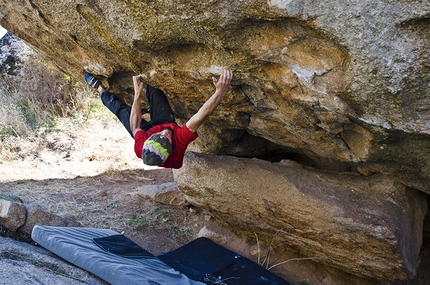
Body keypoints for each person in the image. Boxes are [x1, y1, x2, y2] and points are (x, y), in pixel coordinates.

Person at [84, 68, 233, 169]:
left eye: (160, 135)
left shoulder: (140, 147)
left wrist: (137, 94)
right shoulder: (177, 147)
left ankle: (100, 89)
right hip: (164, 121)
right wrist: (220, 92)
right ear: (171, 146)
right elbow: (201, 115)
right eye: (166, 138)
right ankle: (150, 108)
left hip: (145, 130)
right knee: (155, 90)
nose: (165, 133)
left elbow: (135, 127)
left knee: (121, 110)